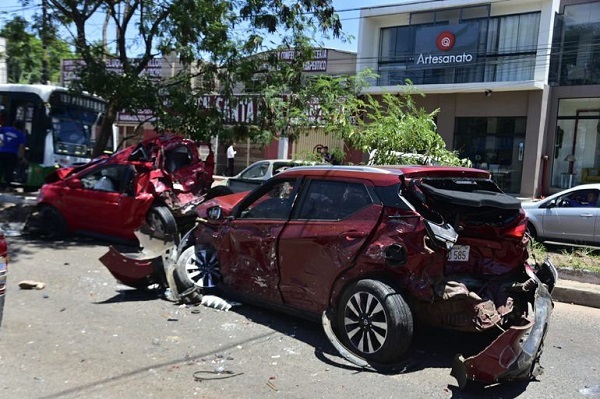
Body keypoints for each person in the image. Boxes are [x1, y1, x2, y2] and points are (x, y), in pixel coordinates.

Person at [0, 120, 27, 190]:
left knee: (1, 168)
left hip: (1, 152)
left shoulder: (4, 129)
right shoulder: (21, 134)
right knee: (9, 169)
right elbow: (21, 147)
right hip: (12, 154)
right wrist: (22, 157)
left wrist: (1, 142)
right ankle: (7, 186)